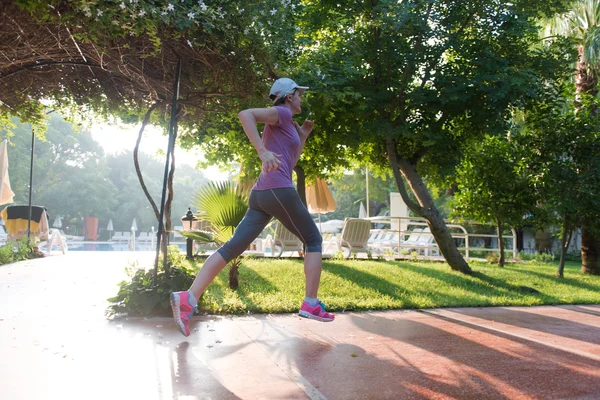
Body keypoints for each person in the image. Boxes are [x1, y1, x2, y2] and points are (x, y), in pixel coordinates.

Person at [170, 78, 335, 336]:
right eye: (300, 94)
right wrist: (261, 150)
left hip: (262, 194)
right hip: (277, 189)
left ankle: (188, 298)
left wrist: (302, 135)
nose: (303, 98)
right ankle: (311, 303)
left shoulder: (288, 123)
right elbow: (245, 114)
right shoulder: (280, 112)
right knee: (313, 239)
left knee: (232, 247)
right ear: (289, 96)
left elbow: (289, 160)